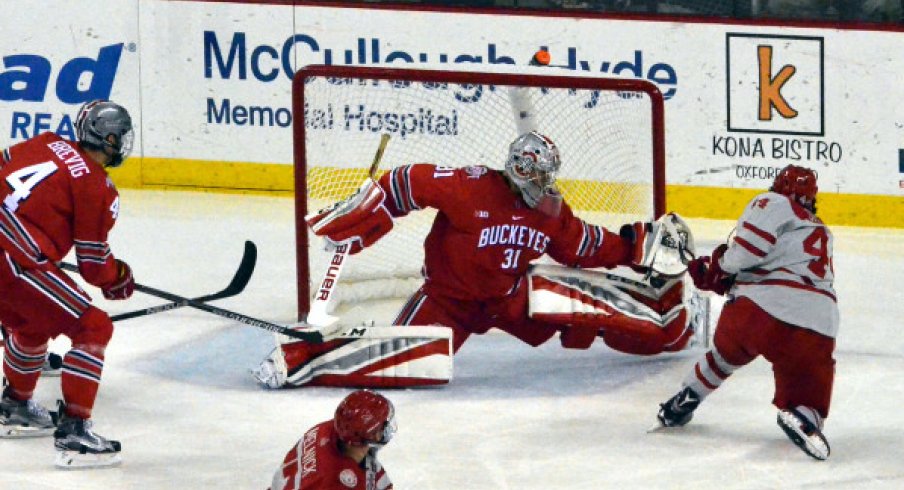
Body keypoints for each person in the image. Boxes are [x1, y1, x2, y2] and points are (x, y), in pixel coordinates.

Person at [256, 131, 696, 388]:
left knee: (589, 317)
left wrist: (636, 247)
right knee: (406, 361)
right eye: (538, 173)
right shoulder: (470, 187)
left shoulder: (548, 210)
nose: (545, 182)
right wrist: (365, 213)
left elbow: (579, 245)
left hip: (509, 297)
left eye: (548, 174)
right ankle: (300, 361)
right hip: (450, 303)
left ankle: (672, 322)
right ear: (520, 168)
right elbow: (406, 183)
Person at [653, 164, 838, 461]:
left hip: (754, 314)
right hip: (815, 323)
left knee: (725, 356)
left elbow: (748, 250)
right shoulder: (822, 231)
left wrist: (719, 268)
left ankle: (688, 395)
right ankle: (805, 416)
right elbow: (787, 270)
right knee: (808, 382)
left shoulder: (773, 202)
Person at [0, 99, 135, 468]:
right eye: (120, 137)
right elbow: (93, 265)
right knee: (93, 326)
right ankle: (75, 433)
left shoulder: (42, 142)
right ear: (108, 139)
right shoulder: (96, 185)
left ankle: (16, 405)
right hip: (13, 261)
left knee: (32, 322)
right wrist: (118, 278)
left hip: (12, 251)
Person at [270, 389, 395, 490]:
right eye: (382, 427)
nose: (386, 430)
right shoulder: (337, 482)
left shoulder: (327, 429)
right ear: (369, 436)